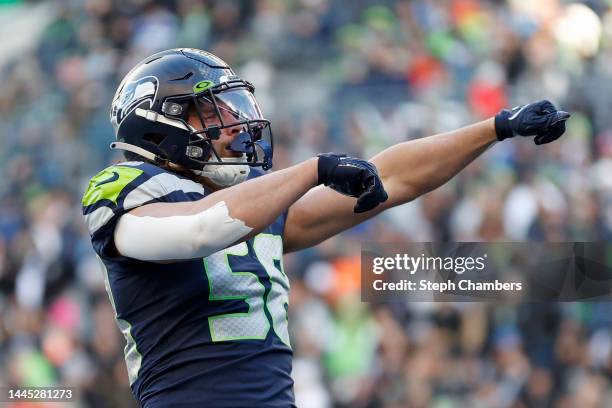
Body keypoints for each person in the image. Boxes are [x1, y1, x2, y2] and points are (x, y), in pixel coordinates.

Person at [82, 48, 569, 407]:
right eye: (211, 111)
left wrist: (496, 127)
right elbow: (197, 231)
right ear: (158, 122)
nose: (233, 125)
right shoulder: (127, 187)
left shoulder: (256, 199)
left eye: (230, 109)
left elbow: (393, 178)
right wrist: (310, 170)